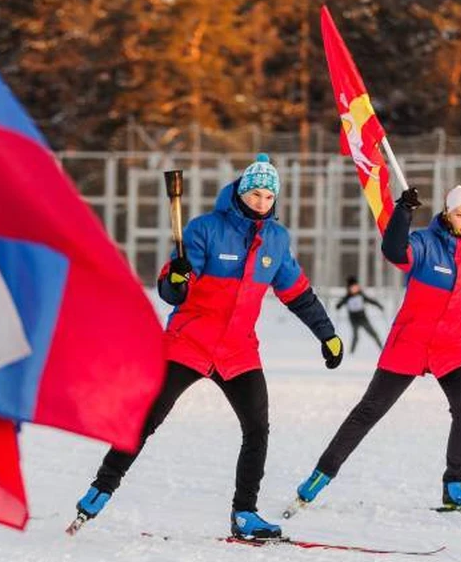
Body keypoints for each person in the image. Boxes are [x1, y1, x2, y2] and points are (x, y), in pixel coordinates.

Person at [73, 154, 344, 540]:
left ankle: (245, 514)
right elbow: (172, 290)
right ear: (240, 192)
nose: (261, 203)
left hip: (238, 351)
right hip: (189, 342)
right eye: (255, 194)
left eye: (269, 196)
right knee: (146, 419)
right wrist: (178, 280)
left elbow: (297, 294)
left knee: (257, 429)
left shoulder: (277, 240)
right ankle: (100, 489)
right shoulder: (205, 229)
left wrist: (327, 333)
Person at [291, 185, 461, 511]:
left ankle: (455, 485)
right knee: (369, 411)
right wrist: (403, 212)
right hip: (410, 342)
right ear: (447, 213)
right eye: (460, 214)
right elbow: (395, 251)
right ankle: (321, 475)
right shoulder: (425, 244)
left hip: (452, 346)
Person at [336, 276, 385, 352]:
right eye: (353, 287)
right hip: (354, 320)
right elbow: (340, 304)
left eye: (356, 287)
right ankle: (351, 353)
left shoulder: (361, 295)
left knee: (374, 334)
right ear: (349, 288)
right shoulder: (347, 297)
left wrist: (378, 305)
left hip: (363, 319)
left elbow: (370, 300)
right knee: (356, 336)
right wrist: (338, 306)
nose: (355, 289)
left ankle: (382, 349)